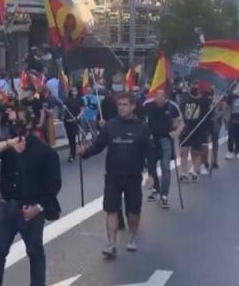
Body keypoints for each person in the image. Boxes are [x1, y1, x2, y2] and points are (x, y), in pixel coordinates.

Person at [0, 106, 61, 286]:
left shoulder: (45, 152)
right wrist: (8, 144)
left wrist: (38, 208)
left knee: (35, 254)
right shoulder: (9, 145)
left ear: (31, 124)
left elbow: (53, 185)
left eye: (19, 122)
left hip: (30, 210)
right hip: (6, 207)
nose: (15, 126)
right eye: (12, 122)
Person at [78, 92, 150, 257]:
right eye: (120, 105)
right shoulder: (110, 126)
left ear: (132, 106)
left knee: (134, 211)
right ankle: (111, 243)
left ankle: (131, 237)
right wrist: (84, 153)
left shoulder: (142, 128)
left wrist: (152, 174)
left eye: (125, 105)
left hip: (133, 177)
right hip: (112, 176)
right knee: (111, 209)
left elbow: (149, 152)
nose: (122, 108)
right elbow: (98, 146)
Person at [141, 90, 182, 208]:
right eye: (156, 96)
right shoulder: (147, 105)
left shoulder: (172, 106)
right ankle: (156, 189)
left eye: (160, 96)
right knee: (151, 166)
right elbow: (141, 120)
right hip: (151, 140)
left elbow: (180, 122)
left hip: (166, 139)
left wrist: (176, 132)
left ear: (165, 97)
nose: (157, 98)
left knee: (166, 167)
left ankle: (164, 195)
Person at [179, 84, 212, 180]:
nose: (194, 88)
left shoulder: (203, 101)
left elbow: (208, 114)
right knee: (183, 152)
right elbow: (180, 112)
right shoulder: (184, 98)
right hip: (185, 129)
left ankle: (195, 171)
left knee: (196, 152)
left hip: (198, 129)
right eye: (193, 86)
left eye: (197, 86)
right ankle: (183, 173)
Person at [63, 87, 84, 162]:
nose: (74, 91)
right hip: (67, 121)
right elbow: (64, 108)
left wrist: (77, 117)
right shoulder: (67, 99)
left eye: (75, 90)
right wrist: (64, 107)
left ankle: (73, 153)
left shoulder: (80, 99)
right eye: (73, 90)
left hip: (75, 121)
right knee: (70, 137)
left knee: (75, 136)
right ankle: (73, 152)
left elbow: (82, 111)